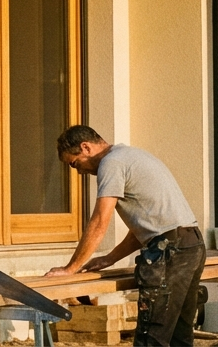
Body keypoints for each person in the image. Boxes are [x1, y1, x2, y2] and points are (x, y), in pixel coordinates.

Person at [46, 125, 204, 346]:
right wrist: (110, 258)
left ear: (85, 147)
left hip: (170, 252)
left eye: (75, 163)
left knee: (152, 338)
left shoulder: (111, 163)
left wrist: (70, 269)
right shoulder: (131, 155)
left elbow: (100, 220)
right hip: (190, 245)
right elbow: (149, 227)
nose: (79, 172)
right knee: (179, 337)